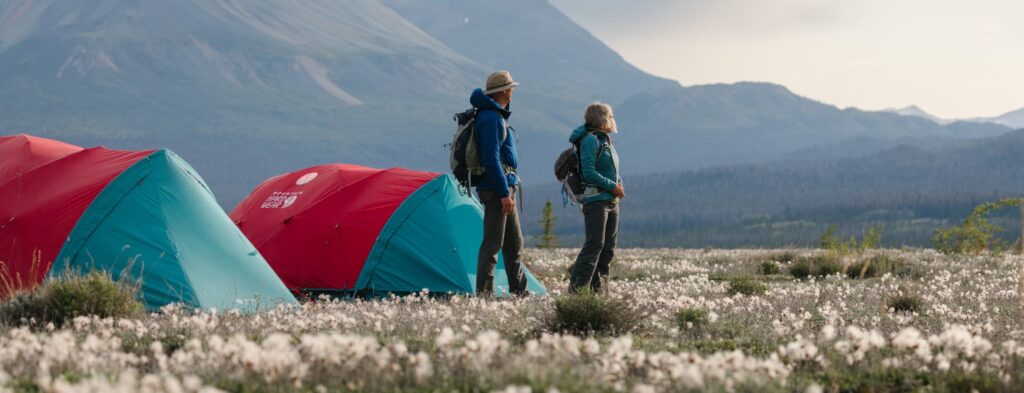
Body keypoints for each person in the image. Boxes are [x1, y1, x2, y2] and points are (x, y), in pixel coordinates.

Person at [473, 70, 528, 297]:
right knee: (493, 244)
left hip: (504, 187)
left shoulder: (494, 116)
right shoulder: (491, 118)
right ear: (505, 91)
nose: (513, 91)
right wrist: (504, 192)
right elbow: (491, 159)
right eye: (511, 88)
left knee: (514, 244)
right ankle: (484, 296)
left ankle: (519, 293)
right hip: (498, 189)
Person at [568, 103, 623, 294]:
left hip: (611, 200)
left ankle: (599, 292)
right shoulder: (591, 141)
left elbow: (611, 170)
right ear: (602, 118)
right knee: (594, 246)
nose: (613, 119)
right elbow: (589, 173)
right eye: (611, 116)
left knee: (607, 249)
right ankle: (577, 292)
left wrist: (618, 184)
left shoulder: (605, 140)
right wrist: (612, 186)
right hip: (596, 201)